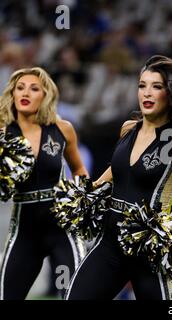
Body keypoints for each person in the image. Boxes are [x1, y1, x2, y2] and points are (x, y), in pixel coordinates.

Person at [65, 55, 172, 300]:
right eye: (142, 85)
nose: (147, 93)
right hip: (110, 243)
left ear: (169, 94)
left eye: (156, 87)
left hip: (150, 251)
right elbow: (119, 171)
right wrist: (83, 196)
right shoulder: (128, 128)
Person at [0, 67, 89, 300]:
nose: (25, 93)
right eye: (20, 88)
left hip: (63, 227)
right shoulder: (2, 133)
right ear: (12, 94)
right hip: (24, 230)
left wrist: (85, 202)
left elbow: (79, 169)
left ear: (45, 95)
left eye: (34, 88)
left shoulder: (62, 129)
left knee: (75, 295)